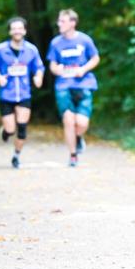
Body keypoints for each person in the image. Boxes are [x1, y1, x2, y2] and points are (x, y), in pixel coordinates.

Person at [46, 9, 99, 167]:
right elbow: (52, 65)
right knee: (68, 120)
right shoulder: (55, 43)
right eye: (59, 21)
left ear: (72, 23)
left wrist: (83, 69)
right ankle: (73, 154)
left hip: (84, 84)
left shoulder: (85, 40)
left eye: (62, 21)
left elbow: (95, 58)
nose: (59, 24)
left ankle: (78, 137)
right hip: (63, 85)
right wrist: (58, 70)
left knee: (81, 123)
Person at [0, 17, 45, 169]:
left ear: (25, 31)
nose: (17, 31)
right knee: (11, 129)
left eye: (20, 28)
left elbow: (39, 67)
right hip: (7, 94)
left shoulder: (31, 50)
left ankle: (16, 155)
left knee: (22, 127)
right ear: (10, 31)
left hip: (24, 94)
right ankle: (6, 132)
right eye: (14, 28)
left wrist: (38, 77)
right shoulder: (1, 49)